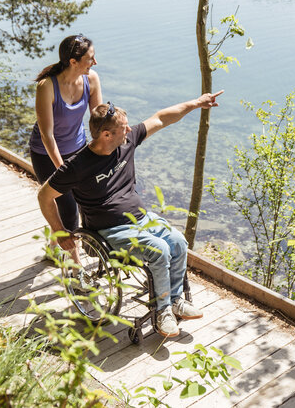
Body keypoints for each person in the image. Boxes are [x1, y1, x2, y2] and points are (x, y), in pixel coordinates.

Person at [37, 90, 224, 338]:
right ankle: (162, 311)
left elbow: (161, 118)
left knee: (178, 241)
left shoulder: (125, 141)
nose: (129, 131)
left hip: (142, 220)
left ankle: (175, 299)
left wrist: (197, 103)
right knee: (159, 249)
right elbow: (44, 196)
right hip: (109, 231)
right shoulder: (77, 165)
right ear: (106, 134)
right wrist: (60, 232)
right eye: (123, 128)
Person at [29, 34, 102, 245]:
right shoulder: (47, 86)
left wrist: (111, 139)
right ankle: (75, 267)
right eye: (91, 58)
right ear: (73, 62)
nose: (95, 62)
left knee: (88, 199)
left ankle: (56, 245)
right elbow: (47, 135)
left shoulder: (91, 79)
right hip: (46, 153)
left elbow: (97, 120)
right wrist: (63, 170)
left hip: (77, 148)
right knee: (68, 206)